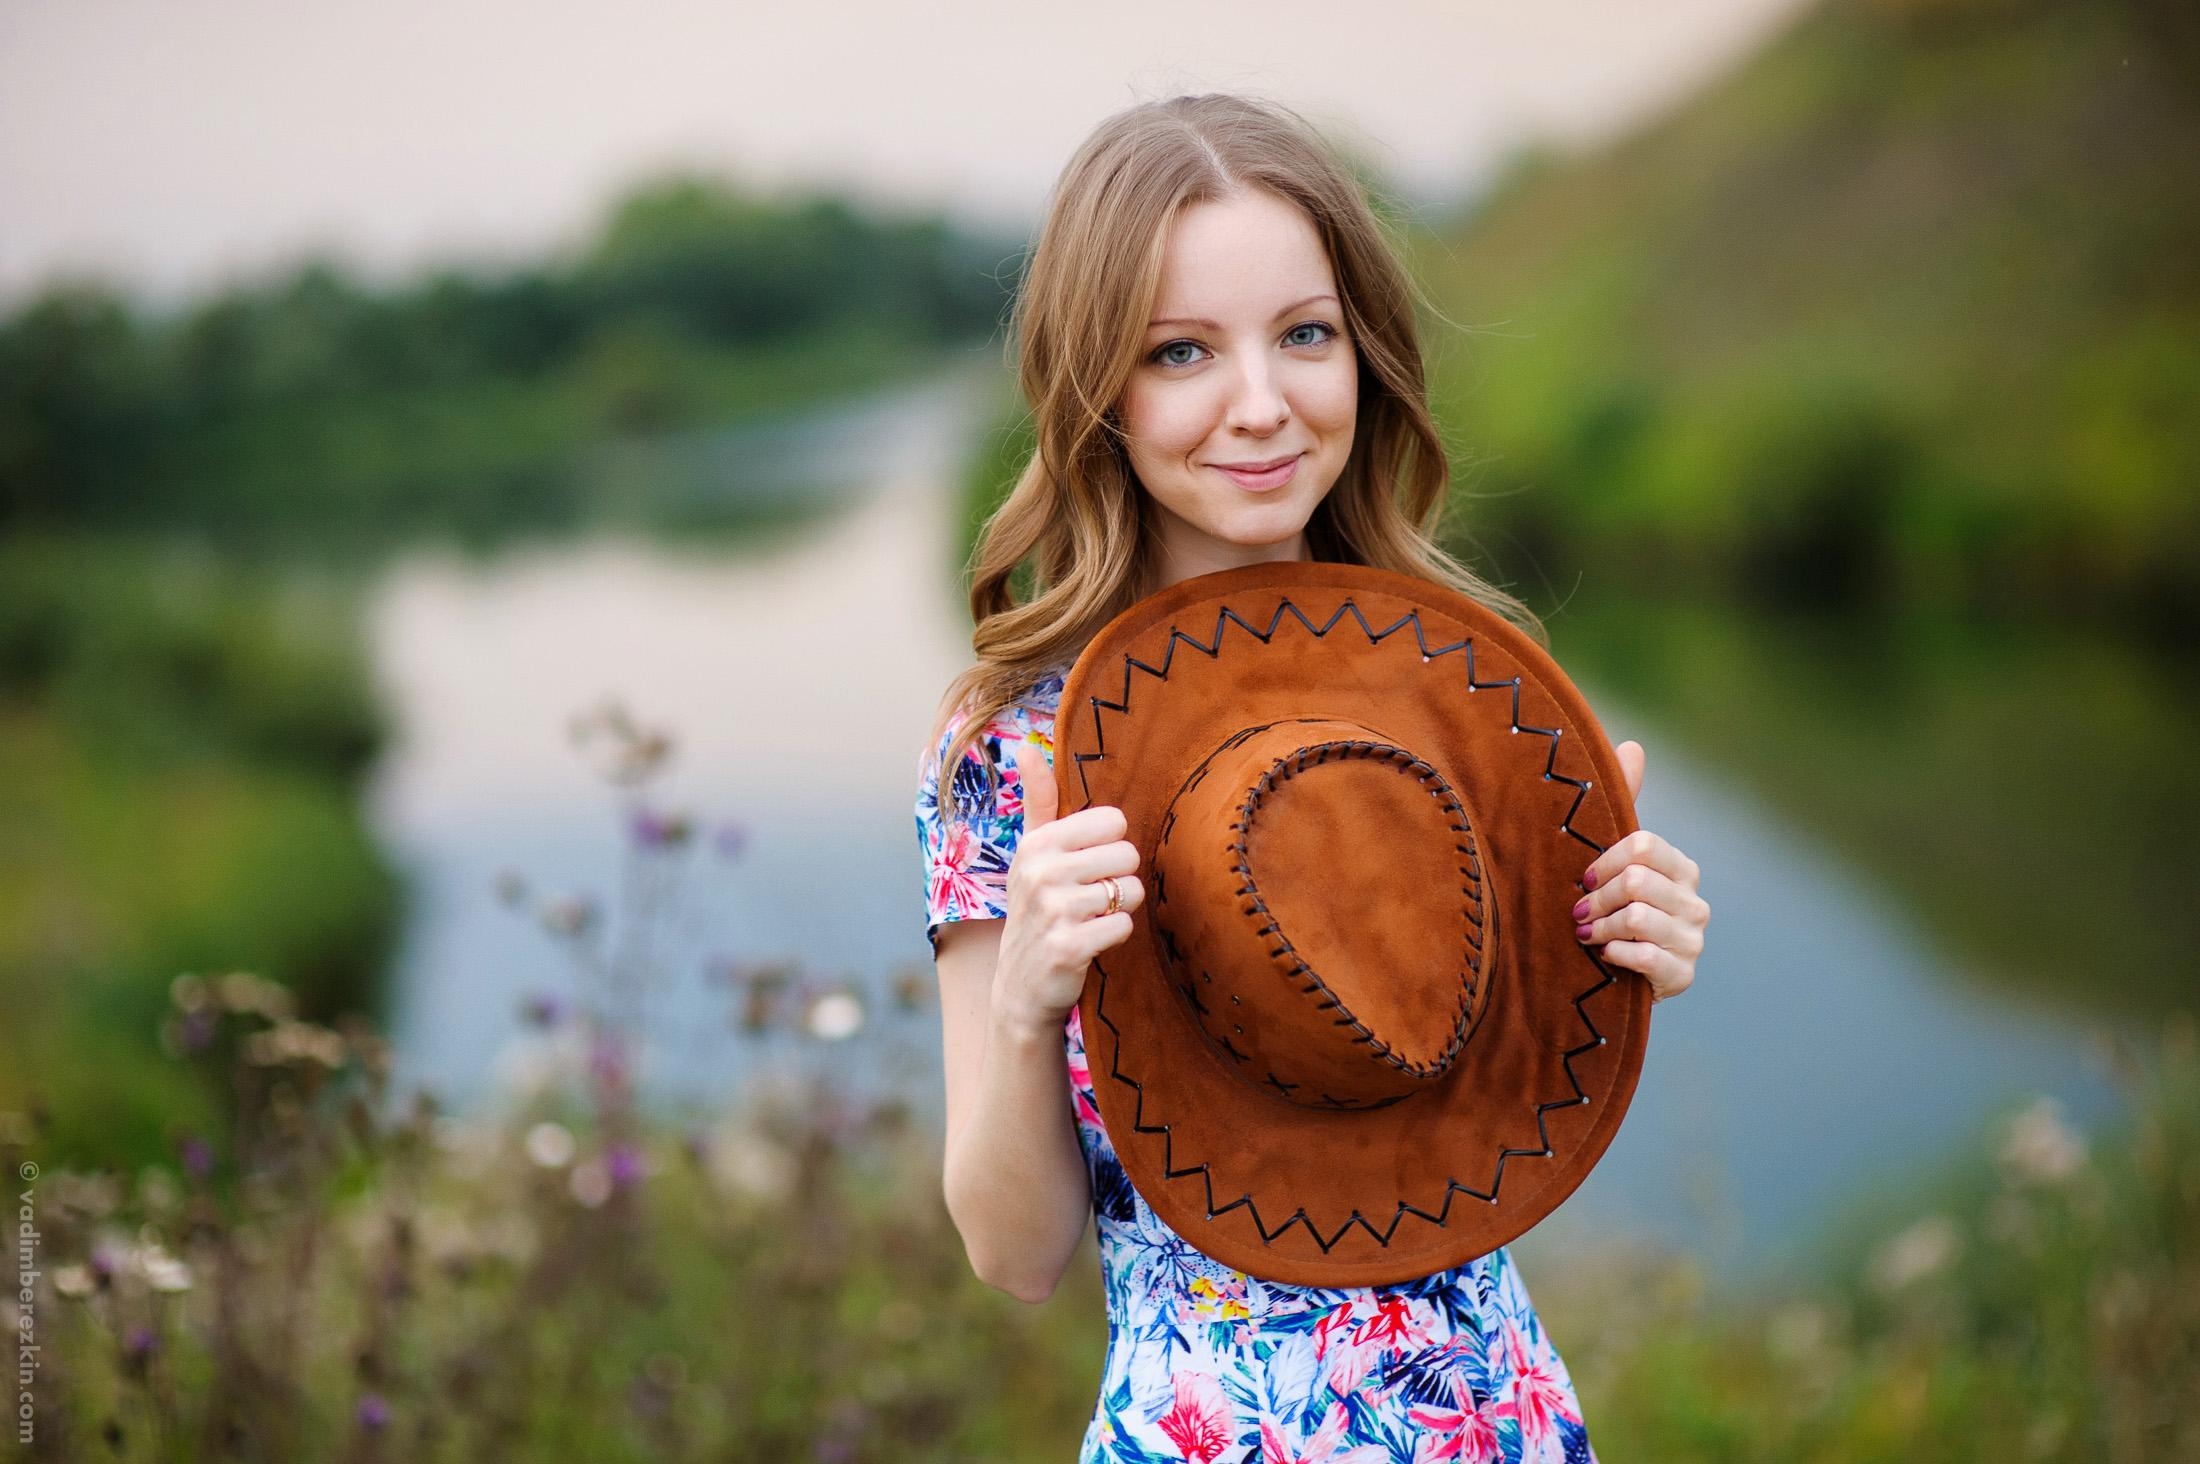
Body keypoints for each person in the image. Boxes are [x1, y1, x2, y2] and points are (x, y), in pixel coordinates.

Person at [914, 92, 1710, 1464]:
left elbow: (1480, 1152)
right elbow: (1013, 1254)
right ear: (1098, 387)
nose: (1263, 405)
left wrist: (1623, 946)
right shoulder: (1015, 753)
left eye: (1304, 335)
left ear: (1365, 354)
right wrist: (1033, 1001)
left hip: (1498, 1422)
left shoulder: (1462, 693)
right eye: (1181, 352)